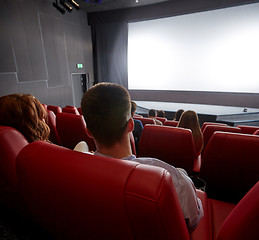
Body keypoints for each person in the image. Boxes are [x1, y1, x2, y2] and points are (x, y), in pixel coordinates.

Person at [81, 83, 203, 230]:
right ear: (131, 124)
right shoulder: (169, 177)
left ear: (88, 131)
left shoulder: (74, 171)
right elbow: (193, 220)